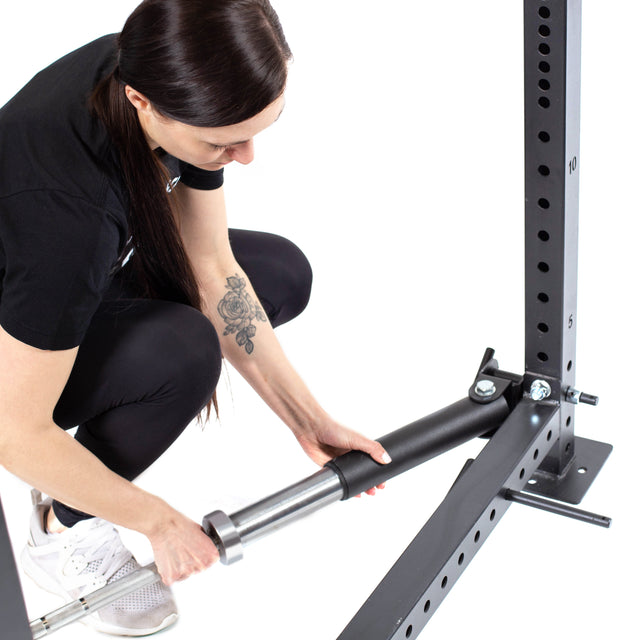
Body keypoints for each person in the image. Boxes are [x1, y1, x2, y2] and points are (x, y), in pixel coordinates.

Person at [0, 0, 390, 635]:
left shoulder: (155, 62)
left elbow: (211, 266)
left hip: (61, 285)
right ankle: (62, 527)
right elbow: (12, 432)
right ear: (143, 102)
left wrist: (310, 422)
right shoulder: (67, 216)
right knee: (181, 350)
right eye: (222, 142)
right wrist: (154, 518)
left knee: (278, 273)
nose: (247, 156)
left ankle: (84, 487)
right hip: (13, 349)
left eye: (259, 129)